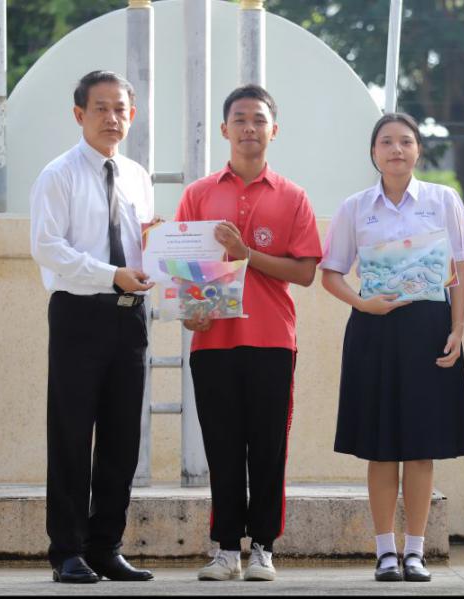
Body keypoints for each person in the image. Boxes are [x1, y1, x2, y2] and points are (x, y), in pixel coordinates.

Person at [174, 84, 322, 582]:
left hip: (272, 339)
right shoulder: (198, 194)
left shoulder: (293, 197)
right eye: (240, 119)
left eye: (259, 119)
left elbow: (305, 272)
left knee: (268, 448)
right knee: (221, 448)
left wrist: (246, 254)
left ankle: (262, 547)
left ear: (274, 130)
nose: (249, 128)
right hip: (212, 341)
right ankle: (225, 550)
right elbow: (182, 270)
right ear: (224, 129)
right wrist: (190, 313)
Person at [320, 113, 464, 583]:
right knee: (381, 447)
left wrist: (457, 328)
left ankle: (416, 552)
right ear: (373, 152)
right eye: (386, 142)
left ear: (418, 150)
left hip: (429, 329)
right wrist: (361, 303)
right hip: (374, 330)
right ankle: (385, 551)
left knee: (422, 448)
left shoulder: (443, 200)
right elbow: (331, 274)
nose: (396, 149)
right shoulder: (354, 207)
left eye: (406, 141)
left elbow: (459, 272)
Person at [30, 70, 157, 584]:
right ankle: (66, 551)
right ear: (79, 114)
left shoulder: (137, 176)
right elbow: (47, 247)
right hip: (78, 315)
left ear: (132, 116)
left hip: (130, 316)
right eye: (101, 108)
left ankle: (106, 547)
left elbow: (143, 246)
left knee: (122, 439)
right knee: (71, 434)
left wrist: (164, 259)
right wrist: (111, 274)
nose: (112, 118)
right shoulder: (58, 174)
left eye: (120, 109)